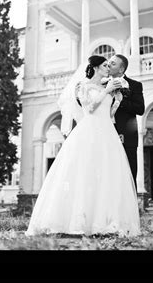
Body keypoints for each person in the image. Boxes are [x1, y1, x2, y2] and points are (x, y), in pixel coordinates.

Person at [25, 55, 140, 237]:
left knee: (107, 175)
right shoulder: (83, 86)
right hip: (90, 130)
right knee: (84, 173)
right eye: (104, 65)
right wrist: (107, 90)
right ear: (95, 68)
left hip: (107, 132)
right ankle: (78, 220)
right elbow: (90, 108)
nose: (108, 67)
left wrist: (116, 98)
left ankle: (104, 221)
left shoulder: (106, 87)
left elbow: (109, 114)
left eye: (109, 65)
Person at [108, 55, 145, 191]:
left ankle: (130, 209)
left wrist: (121, 100)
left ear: (121, 69)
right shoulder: (101, 84)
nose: (108, 65)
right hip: (106, 135)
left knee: (129, 173)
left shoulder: (135, 85)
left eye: (112, 63)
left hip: (127, 137)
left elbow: (140, 109)